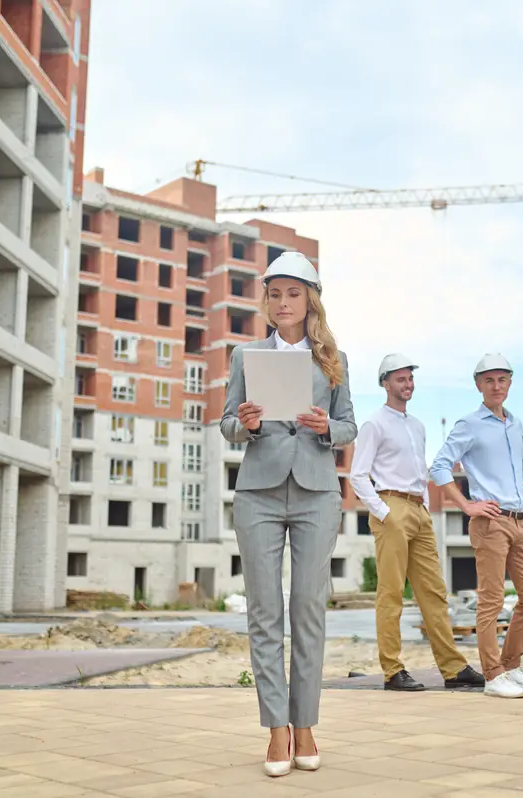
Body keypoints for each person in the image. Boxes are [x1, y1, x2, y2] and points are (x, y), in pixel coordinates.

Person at [220, 252, 357, 777]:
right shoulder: (244, 355)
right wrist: (248, 423)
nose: (283, 303)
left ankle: (305, 723)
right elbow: (226, 423)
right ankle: (276, 728)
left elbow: (350, 426)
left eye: (292, 294)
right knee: (264, 612)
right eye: (274, 293)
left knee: (307, 608)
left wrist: (326, 426)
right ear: (268, 300)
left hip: (317, 492)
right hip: (258, 491)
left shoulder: (334, 358)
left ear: (310, 300)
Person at [349, 353, 486, 693]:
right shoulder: (374, 424)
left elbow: (419, 471)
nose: (408, 384)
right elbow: (357, 475)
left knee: (434, 593)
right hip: (391, 507)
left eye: (410, 378)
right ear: (385, 383)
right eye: (400, 379)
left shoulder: (418, 426)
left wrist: (424, 505)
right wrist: (383, 512)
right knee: (391, 593)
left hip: (419, 510)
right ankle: (392, 670)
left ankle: (453, 669)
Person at [430, 353, 523, 699]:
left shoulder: (516, 424)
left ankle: (511, 664)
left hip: (518, 522)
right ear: (478, 385)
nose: (496, 386)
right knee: (491, 601)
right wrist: (467, 505)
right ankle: (493, 675)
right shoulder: (469, 425)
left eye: (502, 379)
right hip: (490, 523)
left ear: (510, 383)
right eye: (489, 380)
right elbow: (438, 467)